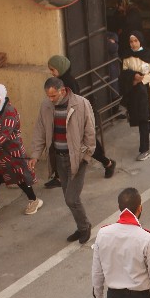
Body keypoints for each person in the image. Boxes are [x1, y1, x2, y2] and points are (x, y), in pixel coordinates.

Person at [29, 77, 96, 243]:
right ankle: (81, 227)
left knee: (71, 198)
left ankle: (85, 226)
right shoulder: (46, 106)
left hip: (77, 159)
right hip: (59, 158)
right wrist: (35, 155)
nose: (50, 99)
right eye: (48, 96)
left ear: (63, 90)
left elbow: (90, 133)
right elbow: (40, 131)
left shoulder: (81, 104)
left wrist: (86, 155)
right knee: (69, 197)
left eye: (53, 96)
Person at [0, 84, 42, 227]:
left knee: (19, 177)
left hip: (10, 152)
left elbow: (6, 134)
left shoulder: (10, 111)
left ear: (2, 97)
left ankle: (34, 199)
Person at [46, 55, 116, 187]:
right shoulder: (60, 81)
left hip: (75, 120)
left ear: (60, 68)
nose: (51, 72)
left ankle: (108, 163)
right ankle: (60, 177)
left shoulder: (68, 82)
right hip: (64, 120)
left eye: (53, 69)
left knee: (88, 147)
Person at [119, 31, 150, 160]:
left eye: (136, 41)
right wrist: (133, 78)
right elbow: (124, 73)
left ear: (140, 41)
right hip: (132, 90)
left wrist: (141, 79)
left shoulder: (148, 55)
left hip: (144, 90)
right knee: (135, 118)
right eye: (131, 41)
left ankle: (145, 149)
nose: (133, 44)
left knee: (142, 119)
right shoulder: (127, 56)